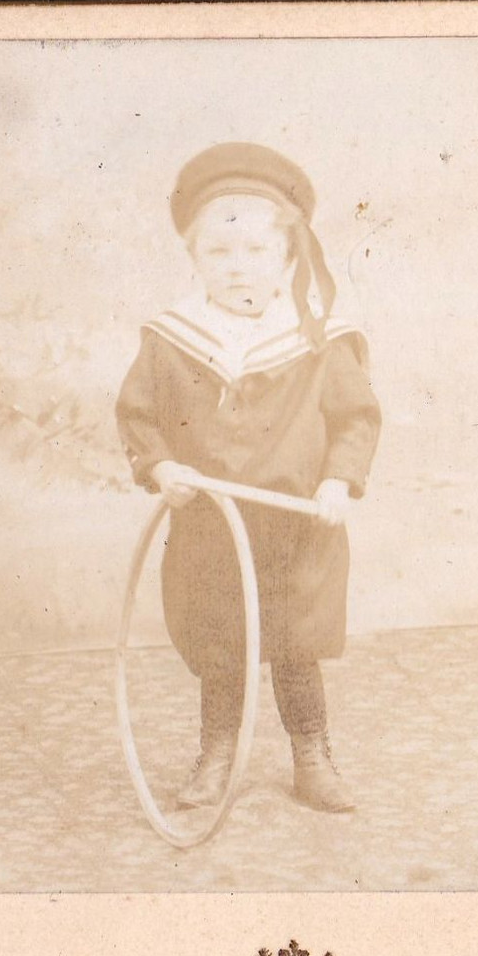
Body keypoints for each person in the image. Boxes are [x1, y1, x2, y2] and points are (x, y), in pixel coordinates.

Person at [116, 142, 381, 813]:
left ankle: (311, 754)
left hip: (296, 527)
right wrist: (162, 466)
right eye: (219, 253)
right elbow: (138, 416)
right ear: (195, 260)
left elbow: (354, 419)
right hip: (209, 523)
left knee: (295, 646)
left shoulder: (319, 340)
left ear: (287, 259)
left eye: (256, 252)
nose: (238, 268)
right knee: (221, 647)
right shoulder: (172, 338)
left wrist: (337, 484)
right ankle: (216, 755)